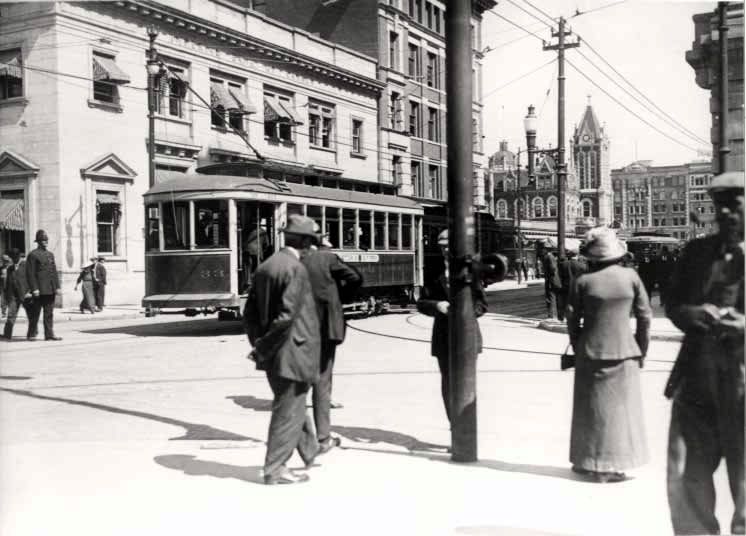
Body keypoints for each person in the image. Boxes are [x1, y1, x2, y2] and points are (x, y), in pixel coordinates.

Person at [664, 170, 744, 536]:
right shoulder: (696, 253)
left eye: (737, 205)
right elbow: (673, 302)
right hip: (696, 380)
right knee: (685, 476)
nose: (727, 213)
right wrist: (692, 315)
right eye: (721, 206)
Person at [566, 226, 651, 483]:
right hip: (624, 351)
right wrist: (641, 349)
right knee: (617, 410)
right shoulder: (631, 277)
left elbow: (571, 317)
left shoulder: (582, 281)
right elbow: (645, 317)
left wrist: (578, 342)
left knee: (588, 408)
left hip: (590, 350)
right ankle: (611, 466)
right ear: (618, 254)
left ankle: (585, 460)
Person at [243, 214, 321, 485]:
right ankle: (275, 469)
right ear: (302, 241)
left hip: (274, 353)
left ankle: (311, 451)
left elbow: (249, 313)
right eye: (311, 241)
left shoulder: (267, 266)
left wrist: (258, 345)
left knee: (292, 403)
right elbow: (287, 316)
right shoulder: (296, 269)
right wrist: (263, 346)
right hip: (293, 351)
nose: (313, 247)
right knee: (288, 410)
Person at [416, 229, 487, 423]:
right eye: (441, 247)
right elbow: (422, 303)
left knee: (465, 383)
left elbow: (482, 304)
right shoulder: (432, 271)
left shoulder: (471, 269)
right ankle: (454, 427)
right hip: (443, 337)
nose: (445, 250)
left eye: (448, 246)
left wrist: (466, 313)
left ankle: (466, 426)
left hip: (467, 336)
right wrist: (437, 305)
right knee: (448, 385)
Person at [302, 230, 362, 454]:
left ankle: (300, 438)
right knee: (322, 381)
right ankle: (323, 437)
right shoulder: (327, 258)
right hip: (326, 328)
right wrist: (341, 298)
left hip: (300, 328)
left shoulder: (293, 259)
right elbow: (355, 278)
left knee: (299, 385)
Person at [26, 230, 62, 341]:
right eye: (43, 240)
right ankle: (32, 334)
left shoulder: (50, 255)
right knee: (35, 313)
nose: (45, 242)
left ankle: (49, 334)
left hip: (50, 289)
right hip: (39, 290)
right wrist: (34, 289)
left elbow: (54, 272)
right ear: (38, 241)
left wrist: (57, 287)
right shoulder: (33, 255)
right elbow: (30, 273)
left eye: (46, 240)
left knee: (49, 313)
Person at [2, 249, 32, 341]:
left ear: (19, 256)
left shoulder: (26, 265)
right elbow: (8, 283)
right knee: (11, 315)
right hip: (13, 296)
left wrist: (30, 292)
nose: (15, 259)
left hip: (25, 295)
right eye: (13, 257)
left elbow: (32, 279)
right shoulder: (10, 268)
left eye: (16, 256)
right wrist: (7, 296)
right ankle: (7, 335)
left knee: (31, 316)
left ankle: (32, 334)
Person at [542, 247, 562, 319]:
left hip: (551, 280)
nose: (542, 250)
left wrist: (549, 276)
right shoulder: (549, 256)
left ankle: (552, 315)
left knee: (551, 297)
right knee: (551, 297)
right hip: (551, 279)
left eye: (543, 249)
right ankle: (553, 314)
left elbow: (553, 268)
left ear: (547, 249)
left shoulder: (549, 257)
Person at [0, 253, 10, 318]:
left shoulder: (11, 268)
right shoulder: (0, 268)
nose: (5, 262)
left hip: (10, 287)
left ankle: (11, 312)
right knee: (3, 300)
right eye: (4, 260)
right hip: (3, 287)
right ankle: (3, 313)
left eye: (7, 260)